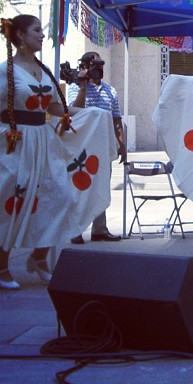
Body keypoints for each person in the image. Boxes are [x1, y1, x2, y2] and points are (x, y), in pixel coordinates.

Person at [0, 15, 115, 289]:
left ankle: (39, 258)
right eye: (36, 30)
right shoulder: (7, 70)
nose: (42, 35)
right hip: (17, 142)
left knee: (61, 196)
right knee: (13, 201)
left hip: (44, 140)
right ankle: (2, 265)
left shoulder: (43, 69)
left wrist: (92, 113)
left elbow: (53, 109)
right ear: (19, 36)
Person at [67, 51, 126, 244]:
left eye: (100, 64)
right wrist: (83, 87)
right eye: (93, 65)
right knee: (80, 187)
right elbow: (75, 113)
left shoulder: (111, 90)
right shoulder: (75, 87)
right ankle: (75, 230)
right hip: (83, 146)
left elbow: (117, 119)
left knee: (101, 187)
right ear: (84, 66)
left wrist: (122, 145)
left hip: (104, 145)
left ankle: (100, 229)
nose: (98, 68)